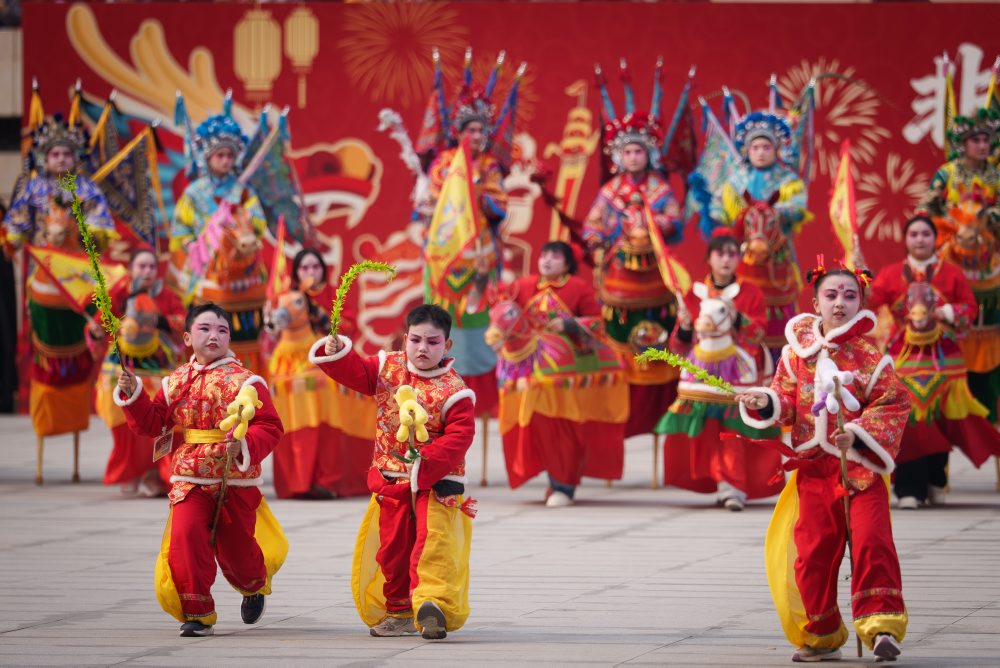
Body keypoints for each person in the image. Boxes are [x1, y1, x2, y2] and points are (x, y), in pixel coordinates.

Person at [736, 263, 910, 663]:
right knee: (812, 553)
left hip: (861, 471)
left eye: (850, 296)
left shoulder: (870, 357)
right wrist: (765, 402)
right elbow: (784, 402)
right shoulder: (796, 355)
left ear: (861, 303)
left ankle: (881, 626)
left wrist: (859, 434)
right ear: (815, 303)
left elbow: (894, 403)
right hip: (813, 469)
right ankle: (823, 633)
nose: (840, 303)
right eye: (831, 295)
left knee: (873, 543)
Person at [114, 303, 286, 637]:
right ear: (187, 337)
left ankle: (253, 584)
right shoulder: (176, 380)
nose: (214, 335)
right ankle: (198, 612)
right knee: (186, 537)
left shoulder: (247, 381)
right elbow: (152, 423)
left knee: (238, 551)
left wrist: (246, 444)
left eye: (222, 330)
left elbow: (271, 425)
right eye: (205, 329)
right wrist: (133, 392)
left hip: (233, 478)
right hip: (189, 477)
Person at [310, 304, 476, 640]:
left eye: (432, 342)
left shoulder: (454, 389)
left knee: (433, 547)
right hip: (392, 480)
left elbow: (461, 435)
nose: (422, 348)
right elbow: (356, 372)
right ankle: (399, 611)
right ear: (405, 339)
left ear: (447, 346)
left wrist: (426, 460)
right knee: (393, 550)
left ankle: (432, 607)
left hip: (435, 483)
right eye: (415, 340)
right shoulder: (389, 367)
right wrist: (338, 351)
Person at [583, 59, 688, 438]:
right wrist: (605, 234)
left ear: (649, 155)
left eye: (639, 152)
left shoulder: (659, 190)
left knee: (660, 342)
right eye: (626, 153)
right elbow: (592, 225)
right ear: (617, 157)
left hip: (656, 282)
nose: (633, 158)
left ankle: (662, 414)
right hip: (621, 280)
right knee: (621, 346)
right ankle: (622, 420)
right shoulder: (610, 192)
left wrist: (653, 223)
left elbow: (675, 219)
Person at [868, 215, 1000, 508]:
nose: (920, 239)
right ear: (905, 239)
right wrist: (859, 283)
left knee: (942, 420)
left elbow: (969, 307)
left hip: (946, 358)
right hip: (905, 356)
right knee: (910, 421)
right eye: (914, 234)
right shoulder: (890, 274)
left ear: (934, 239)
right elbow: (869, 302)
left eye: (926, 234)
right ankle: (909, 489)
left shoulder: (951, 273)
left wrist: (947, 313)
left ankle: (935, 480)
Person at [3, 110, 115, 450]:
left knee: (83, 339)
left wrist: (89, 234)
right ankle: (43, 408)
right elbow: (16, 223)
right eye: (55, 153)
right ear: (43, 156)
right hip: (43, 271)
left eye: (67, 153)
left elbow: (103, 227)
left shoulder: (85, 188)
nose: (62, 159)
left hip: (77, 275)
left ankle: (83, 404)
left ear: (76, 156)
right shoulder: (33, 187)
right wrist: (12, 238)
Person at [656, 232, 780, 511]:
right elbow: (680, 342)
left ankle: (732, 485)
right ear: (708, 258)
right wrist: (686, 326)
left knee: (732, 426)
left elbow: (759, 331)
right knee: (707, 428)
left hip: (736, 370)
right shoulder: (694, 293)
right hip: (701, 370)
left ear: (739, 258)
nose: (726, 259)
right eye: (720, 254)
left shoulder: (751, 292)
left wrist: (736, 316)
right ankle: (718, 480)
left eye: (731, 254)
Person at [498, 241, 627, 507]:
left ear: (568, 264)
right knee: (537, 424)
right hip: (531, 373)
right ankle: (555, 479)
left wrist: (569, 323)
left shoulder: (577, 288)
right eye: (544, 254)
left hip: (566, 377)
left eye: (555, 257)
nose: (546, 260)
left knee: (562, 424)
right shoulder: (523, 285)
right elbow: (503, 311)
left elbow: (599, 323)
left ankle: (563, 484)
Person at [171, 100, 269, 374]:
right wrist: (197, 242)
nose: (226, 160)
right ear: (208, 157)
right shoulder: (194, 193)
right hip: (206, 267)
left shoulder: (242, 191)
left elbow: (258, 223)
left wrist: (244, 224)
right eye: (220, 155)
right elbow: (179, 231)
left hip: (243, 267)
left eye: (229, 155)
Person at [266, 248, 371, 498]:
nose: (311, 272)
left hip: (325, 361)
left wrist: (320, 314)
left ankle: (327, 479)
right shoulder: (287, 296)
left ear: (323, 269)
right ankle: (297, 481)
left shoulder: (335, 294)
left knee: (327, 412)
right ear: (296, 272)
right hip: (288, 362)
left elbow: (347, 327)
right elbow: (271, 330)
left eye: (316, 267)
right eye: (305, 268)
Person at [921, 108, 1000, 424]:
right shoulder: (947, 173)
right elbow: (926, 208)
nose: (982, 146)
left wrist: (990, 218)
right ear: (963, 143)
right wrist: (947, 225)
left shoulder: (996, 175)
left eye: (986, 140)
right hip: (951, 259)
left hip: (989, 265)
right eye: (976, 140)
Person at [94, 247, 185, 496]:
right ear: (131, 268)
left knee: (159, 419)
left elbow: (182, 320)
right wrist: (96, 331)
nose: (146, 271)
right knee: (125, 422)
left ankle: (155, 473)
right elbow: (100, 321)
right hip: (123, 363)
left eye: (151, 267)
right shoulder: (119, 293)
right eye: (141, 266)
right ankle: (131, 471)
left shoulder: (165, 295)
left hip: (157, 362)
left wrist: (159, 321)